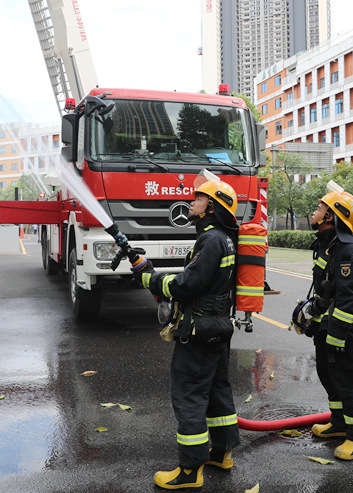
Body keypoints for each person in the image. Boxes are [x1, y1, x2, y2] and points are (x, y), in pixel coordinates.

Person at [132, 173, 240, 490]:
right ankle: (222, 454)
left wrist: (150, 278)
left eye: (199, 199)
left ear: (212, 207)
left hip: (198, 332)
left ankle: (190, 472)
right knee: (217, 392)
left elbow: (188, 284)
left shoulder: (211, 240)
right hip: (216, 328)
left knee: (189, 396)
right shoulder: (224, 238)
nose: (192, 203)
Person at [304, 189, 353, 460]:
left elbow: (350, 298)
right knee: (329, 377)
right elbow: (326, 288)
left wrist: (337, 335)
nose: (314, 212)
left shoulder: (348, 249)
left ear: (331, 216)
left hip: (345, 331)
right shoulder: (329, 244)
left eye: (320, 208)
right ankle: (339, 423)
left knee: (348, 382)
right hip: (327, 326)